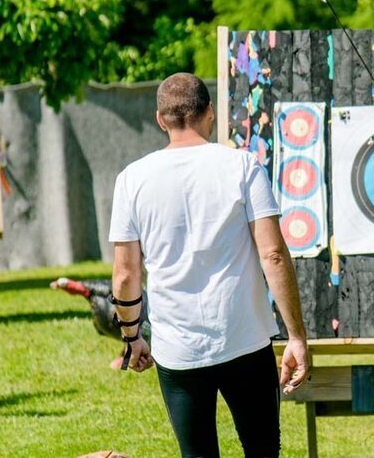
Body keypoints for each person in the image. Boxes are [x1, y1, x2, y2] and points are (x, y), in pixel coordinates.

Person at [109, 72, 310, 458]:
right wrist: (296, 336)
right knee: (263, 450)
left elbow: (126, 275)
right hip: (245, 338)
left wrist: (132, 338)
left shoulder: (131, 179)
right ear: (211, 113)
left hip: (178, 349)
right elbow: (272, 254)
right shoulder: (243, 165)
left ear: (160, 119)